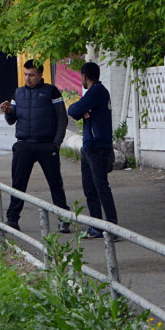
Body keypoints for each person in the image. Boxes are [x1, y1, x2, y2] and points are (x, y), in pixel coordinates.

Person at [0, 59, 71, 233]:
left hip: (47, 144)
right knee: (18, 184)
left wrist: (57, 143)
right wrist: (8, 112)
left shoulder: (51, 92)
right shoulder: (18, 93)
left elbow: (62, 118)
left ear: (40, 75)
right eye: (25, 75)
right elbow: (12, 120)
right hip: (24, 145)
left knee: (55, 183)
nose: (28, 78)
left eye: (31, 75)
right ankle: (12, 219)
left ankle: (63, 218)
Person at [67, 61, 118, 238]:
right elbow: (76, 109)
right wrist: (82, 111)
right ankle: (96, 225)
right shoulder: (96, 93)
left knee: (100, 186)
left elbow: (73, 110)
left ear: (84, 77)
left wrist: (82, 111)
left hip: (97, 147)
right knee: (89, 188)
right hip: (89, 146)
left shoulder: (96, 92)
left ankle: (111, 226)